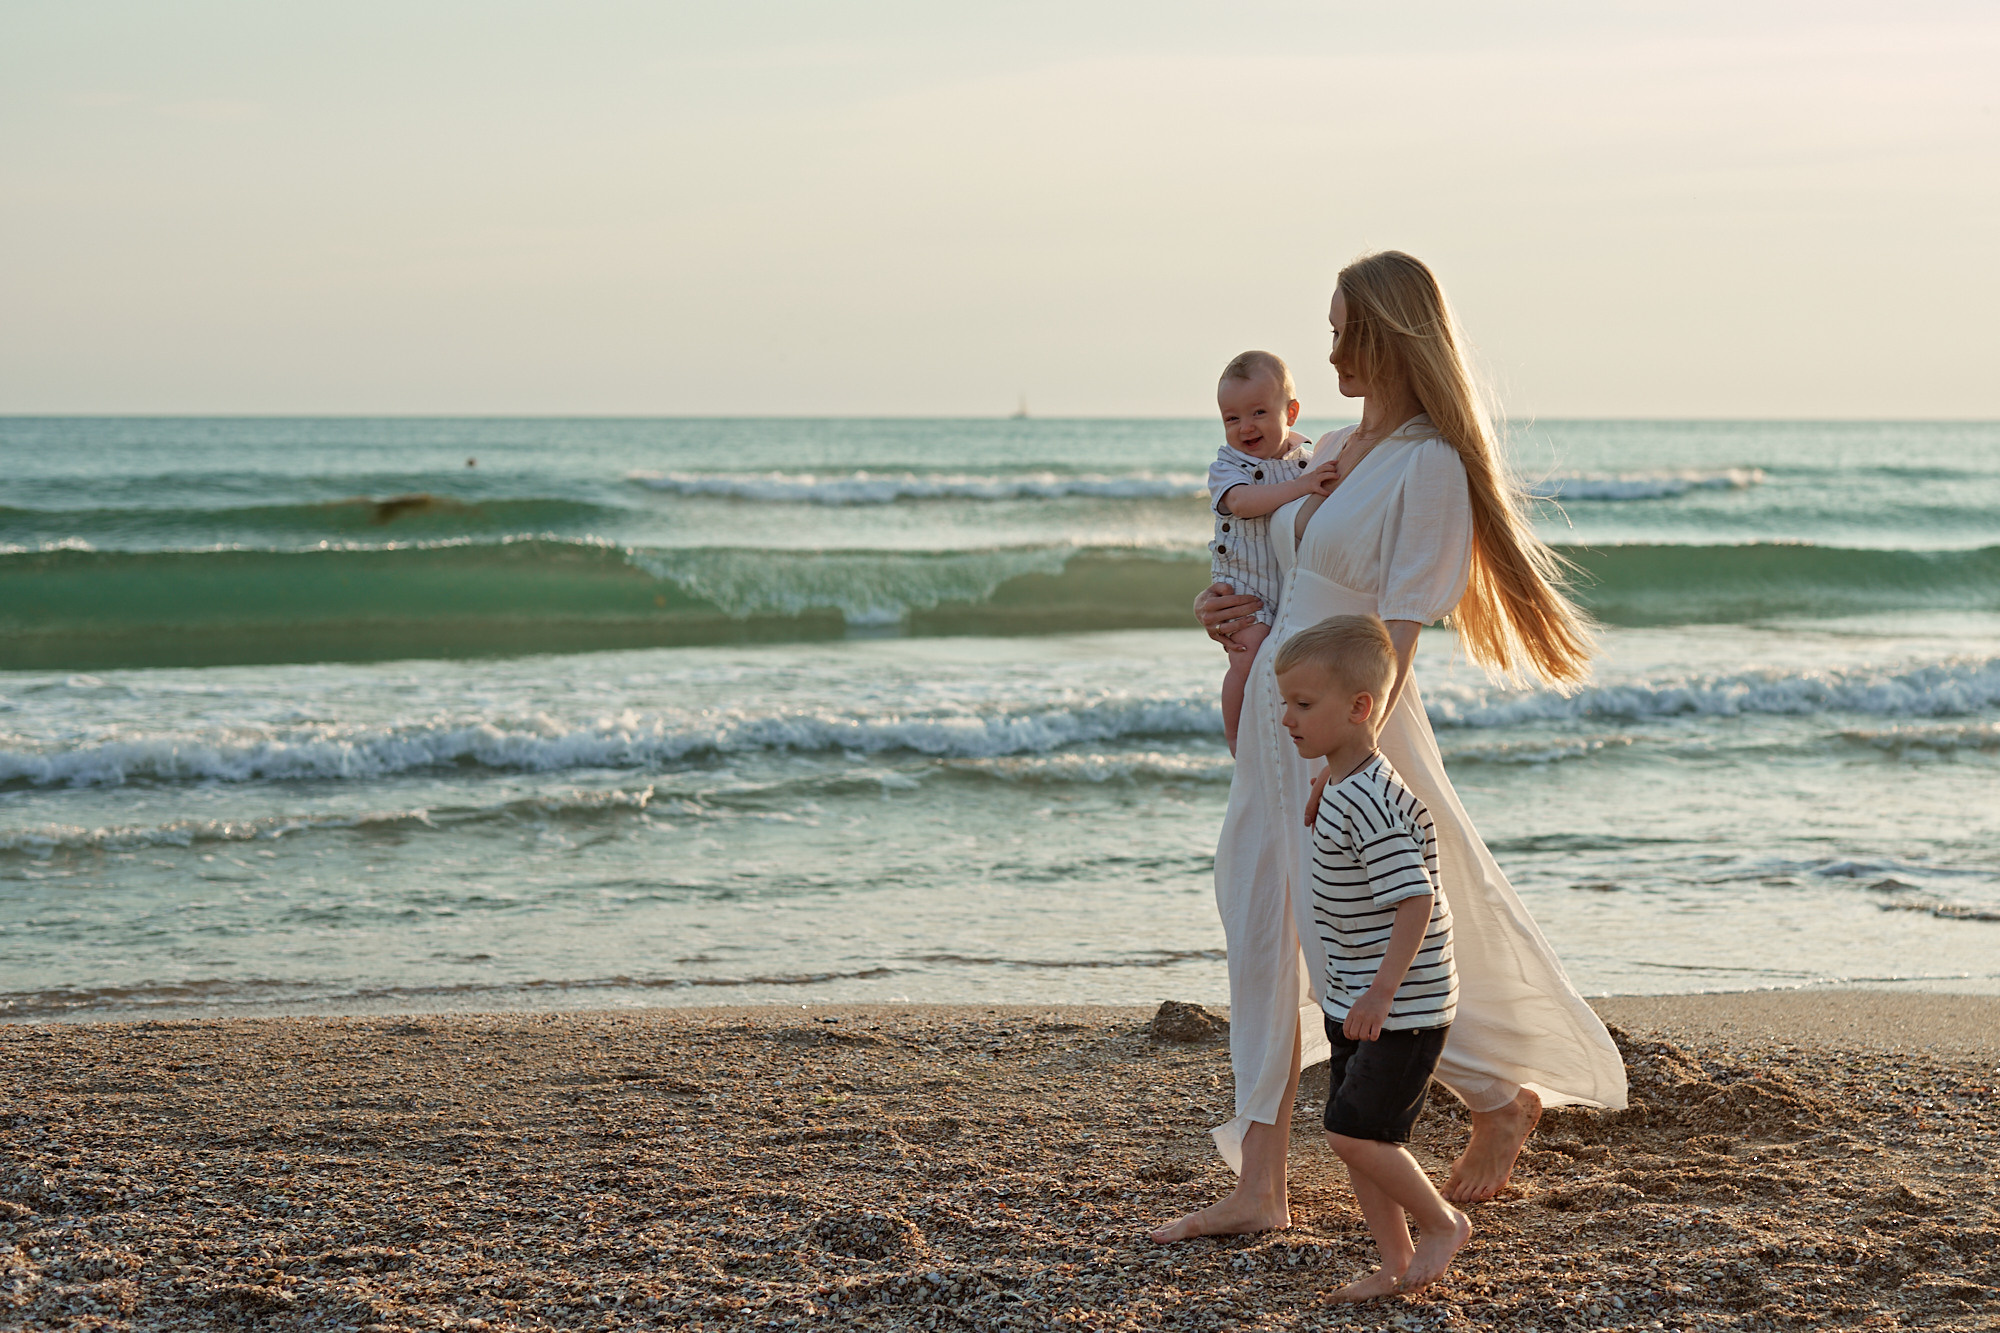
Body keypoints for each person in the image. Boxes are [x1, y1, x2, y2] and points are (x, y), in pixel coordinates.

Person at [1151, 250, 1626, 1245]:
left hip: (1347, 733)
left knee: (1347, 946)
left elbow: (1397, 634)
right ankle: (1259, 1184)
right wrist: (1230, 618)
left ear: (1388, 334)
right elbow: (1288, 590)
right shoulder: (1326, 444)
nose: (1326, 349)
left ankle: (1499, 1093)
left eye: (1341, 331)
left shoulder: (1428, 467)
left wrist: (1344, 760)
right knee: (1254, 925)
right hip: (1286, 717)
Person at [1275, 614, 1469, 1301]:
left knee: (1354, 1135)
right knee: (1360, 1137)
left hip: (1400, 1004)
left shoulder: (1371, 802)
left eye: (1304, 704)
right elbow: (1358, 770)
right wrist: (1332, 776)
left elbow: (1414, 902)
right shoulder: (1349, 778)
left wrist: (1383, 992)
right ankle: (1393, 1261)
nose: (1287, 716)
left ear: (1359, 708)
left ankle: (1445, 1223)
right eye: (1285, 702)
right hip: (1360, 995)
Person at [1207, 352, 1341, 752]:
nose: (1245, 427)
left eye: (1259, 412)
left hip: (1287, 583)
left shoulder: (1308, 459)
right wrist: (1304, 486)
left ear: (1292, 412)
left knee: (1288, 666)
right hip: (1244, 586)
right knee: (1247, 659)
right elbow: (1244, 503)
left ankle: (1282, 734)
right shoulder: (1228, 465)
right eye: (1232, 418)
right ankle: (1235, 737)